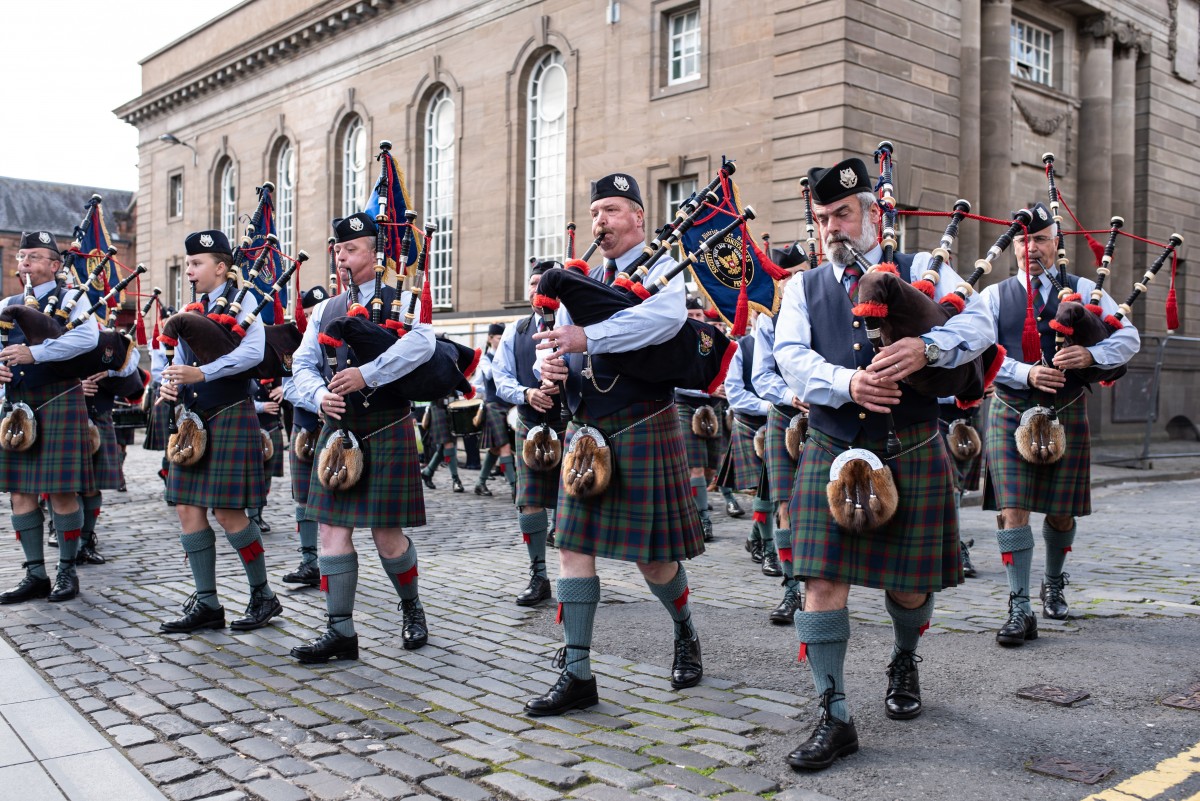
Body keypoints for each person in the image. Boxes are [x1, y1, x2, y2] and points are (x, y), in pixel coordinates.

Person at [774, 157, 995, 770]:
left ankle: (904, 656)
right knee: (819, 582)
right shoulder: (806, 286)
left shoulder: (925, 269)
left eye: (843, 214)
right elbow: (790, 356)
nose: (831, 229)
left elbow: (978, 326)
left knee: (910, 586)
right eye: (821, 219)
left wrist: (926, 346)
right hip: (832, 444)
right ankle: (834, 712)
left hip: (913, 445)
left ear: (873, 212)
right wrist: (848, 383)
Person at [524, 173, 705, 716]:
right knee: (572, 548)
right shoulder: (579, 280)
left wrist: (588, 337)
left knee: (654, 561)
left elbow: (660, 323)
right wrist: (547, 362)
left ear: (639, 218)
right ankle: (578, 671)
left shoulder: (662, 274)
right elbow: (555, 338)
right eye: (596, 211)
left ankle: (685, 632)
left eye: (613, 210)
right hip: (586, 428)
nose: (601, 221)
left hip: (641, 423)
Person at [979, 202, 1139, 645]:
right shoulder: (994, 296)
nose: (1031, 249)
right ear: (1014, 247)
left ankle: (1052, 580)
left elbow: (1129, 337)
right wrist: (1024, 372)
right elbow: (982, 351)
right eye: (1022, 241)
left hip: (1065, 410)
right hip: (1010, 409)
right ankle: (1018, 605)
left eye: (1041, 240)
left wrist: (1092, 355)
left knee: (1062, 513)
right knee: (1013, 508)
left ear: (1057, 244)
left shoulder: (1087, 290)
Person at [288, 212, 435, 663]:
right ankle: (339, 631)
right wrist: (317, 397)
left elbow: (423, 345)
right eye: (338, 249)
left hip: (386, 424)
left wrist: (366, 375)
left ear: (375, 253)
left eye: (351, 249)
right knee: (332, 531)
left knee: (387, 536)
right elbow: (302, 363)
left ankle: (411, 607)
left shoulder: (402, 297)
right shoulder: (326, 310)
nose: (342, 256)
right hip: (338, 428)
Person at [158, 230, 282, 633]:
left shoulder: (246, 301)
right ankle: (207, 603)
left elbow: (252, 354)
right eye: (188, 264)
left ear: (221, 267)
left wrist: (203, 372)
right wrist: (169, 381)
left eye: (196, 264)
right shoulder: (192, 308)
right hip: (193, 417)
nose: (189, 271)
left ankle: (263, 594)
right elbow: (177, 357)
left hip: (229, 412)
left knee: (229, 512)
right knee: (186, 507)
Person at [0, 232, 98, 604]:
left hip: (59, 398)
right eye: (23, 255)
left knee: (61, 491)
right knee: (20, 492)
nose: (25, 261)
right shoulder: (7, 303)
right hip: (18, 404)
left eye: (35, 256)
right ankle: (35, 574)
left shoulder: (74, 299)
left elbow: (87, 340)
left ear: (55, 265)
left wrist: (35, 354)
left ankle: (66, 571)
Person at [492, 261, 563, 607]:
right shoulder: (515, 330)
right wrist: (526, 393)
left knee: (572, 499)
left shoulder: (577, 326)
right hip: (531, 420)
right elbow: (500, 376)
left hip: (571, 423)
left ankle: (574, 575)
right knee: (530, 501)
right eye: (534, 283)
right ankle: (539, 575)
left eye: (546, 284)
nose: (538, 290)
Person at [750, 243, 808, 624]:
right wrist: (791, 394)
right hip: (786, 414)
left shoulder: (826, 303)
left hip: (828, 415)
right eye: (787, 275)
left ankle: (825, 583)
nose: (794, 280)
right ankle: (790, 590)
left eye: (801, 271)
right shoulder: (768, 319)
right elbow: (761, 375)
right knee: (785, 505)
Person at [281, 286, 329, 589]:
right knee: (303, 498)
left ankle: (334, 560)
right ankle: (309, 561)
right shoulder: (290, 341)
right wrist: (320, 402)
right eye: (309, 314)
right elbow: (288, 388)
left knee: (332, 498)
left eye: (316, 314)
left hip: (336, 427)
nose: (313, 319)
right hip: (306, 426)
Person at [717, 311, 772, 573]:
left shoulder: (787, 343)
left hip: (784, 425)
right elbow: (735, 395)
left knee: (774, 489)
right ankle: (768, 546)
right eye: (758, 312)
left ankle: (755, 538)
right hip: (751, 423)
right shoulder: (742, 347)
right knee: (764, 489)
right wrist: (772, 404)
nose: (762, 317)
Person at [674, 297, 723, 542]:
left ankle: (693, 503)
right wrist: (707, 390)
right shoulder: (673, 337)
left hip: (714, 407)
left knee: (710, 467)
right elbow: (672, 382)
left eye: (698, 315)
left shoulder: (711, 337)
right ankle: (701, 518)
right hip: (685, 407)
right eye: (690, 315)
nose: (695, 319)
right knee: (694, 465)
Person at [473, 322, 518, 500]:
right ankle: (516, 488)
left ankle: (480, 483)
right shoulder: (485, 359)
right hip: (493, 407)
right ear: (490, 339)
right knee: (505, 447)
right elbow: (490, 376)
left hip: (507, 407)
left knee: (495, 449)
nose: (502, 341)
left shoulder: (507, 356)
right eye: (500, 338)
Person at [248, 376, 285, 533]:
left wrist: (285, 389)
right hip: (249, 425)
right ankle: (252, 518)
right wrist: (261, 407)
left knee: (266, 476)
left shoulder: (277, 363)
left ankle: (258, 515)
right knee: (251, 475)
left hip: (271, 426)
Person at [420, 392, 463, 492]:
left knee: (446, 447)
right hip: (438, 406)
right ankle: (456, 480)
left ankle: (427, 473)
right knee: (448, 444)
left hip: (452, 403)